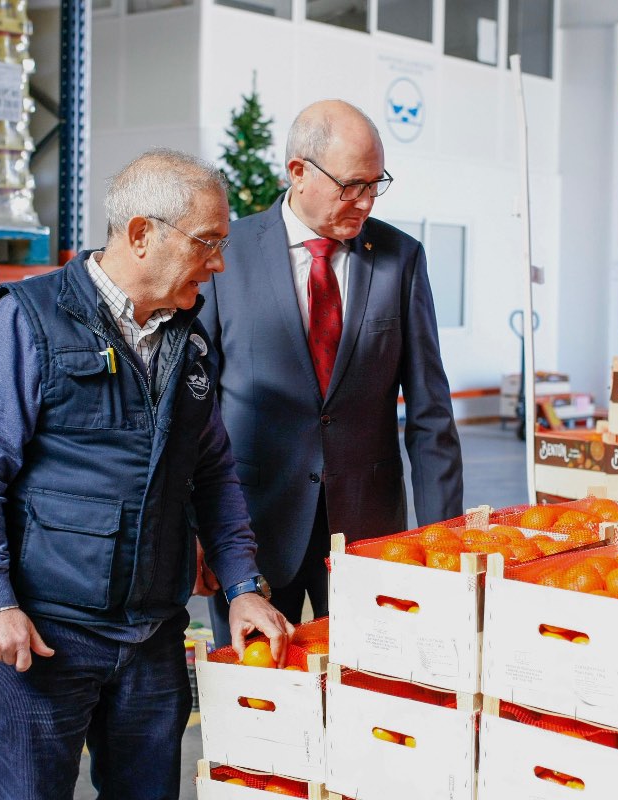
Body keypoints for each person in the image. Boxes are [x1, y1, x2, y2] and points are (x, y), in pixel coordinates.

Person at [0, 148, 292, 800]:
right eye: (208, 243)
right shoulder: (28, 321)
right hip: (45, 638)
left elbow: (212, 472)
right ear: (140, 235)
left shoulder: (190, 339)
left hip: (153, 634)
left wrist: (242, 582)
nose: (219, 264)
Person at [199, 99, 464, 643]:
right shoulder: (228, 253)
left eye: (376, 184)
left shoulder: (400, 258)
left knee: (372, 693)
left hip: (367, 532)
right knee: (255, 694)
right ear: (298, 171)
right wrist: (194, 529)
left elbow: (430, 412)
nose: (366, 202)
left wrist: (445, 539)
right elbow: (194, 406)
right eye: (352, 185)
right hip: (250, 529)